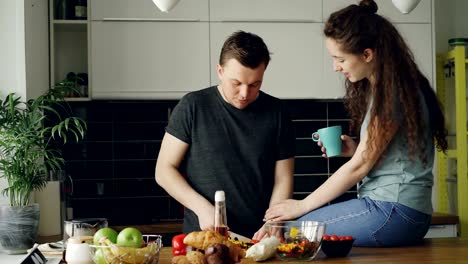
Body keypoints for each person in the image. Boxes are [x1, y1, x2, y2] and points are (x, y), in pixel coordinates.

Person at [264, 0, 448, 247]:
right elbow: (382, 153)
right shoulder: (395, 86)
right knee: (295, 230)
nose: (335, 67)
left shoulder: (390, 95)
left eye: (339, 58)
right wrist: (355, 148)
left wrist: (301, 204)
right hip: (403, 212)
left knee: (291, 230)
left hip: (392, 211)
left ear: (367, 54)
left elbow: (360, 166)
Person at [155, 30, 295, 239]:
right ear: (220, 71)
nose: (245, 94)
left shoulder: (278, 113)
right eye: (236, 83)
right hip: (204, 239)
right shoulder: (193, 106)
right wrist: (202, 208)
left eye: (255, 84)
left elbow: (283, 178)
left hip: (257, 240)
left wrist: (274, 222)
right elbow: (164, 170)